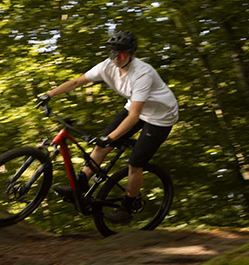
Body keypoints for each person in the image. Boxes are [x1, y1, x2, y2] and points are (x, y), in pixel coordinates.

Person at [35, 30, 178, 223]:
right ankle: (80, 185)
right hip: (135, 107)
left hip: (160, 117)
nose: (115, 58)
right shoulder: (107, 66)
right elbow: (77, 81)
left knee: (135, 163)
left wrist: (111, 138)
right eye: (112, 53)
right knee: (100, 147)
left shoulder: (143, 73)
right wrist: (49, 94)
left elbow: (135, 116)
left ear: (131, 54)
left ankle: (127, 207)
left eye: (120, 54)